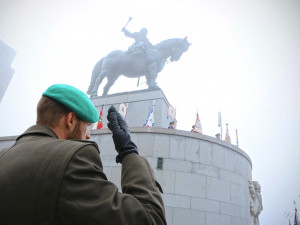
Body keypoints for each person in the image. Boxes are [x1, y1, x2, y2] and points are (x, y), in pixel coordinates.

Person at [0, 84, 166, 225]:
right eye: (87, 126)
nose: (88, 135)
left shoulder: (3, 155)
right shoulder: (71, 158)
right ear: (71, 120)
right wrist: (129, 151)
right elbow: (149, 218)